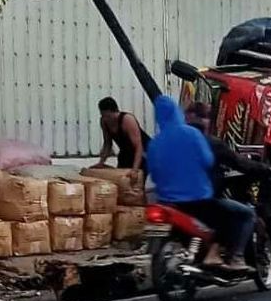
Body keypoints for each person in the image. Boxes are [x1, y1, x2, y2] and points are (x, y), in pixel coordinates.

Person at [147, 95, 257, 271]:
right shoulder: (192, 134)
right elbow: (207, 161)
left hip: (168, 202)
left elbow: (153, 173)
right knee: (242, 214)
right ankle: (219, 255)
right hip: (198, 199)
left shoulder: (155, 143)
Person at [97, 97, 150, 175]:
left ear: (113, 111)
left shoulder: (128, 120)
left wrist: (135, 170)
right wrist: (101, 162)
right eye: (103, 115)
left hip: (143, 152)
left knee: (137, 179)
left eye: (107, 116)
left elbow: (139, 147)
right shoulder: (104, 121)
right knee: (121, 178)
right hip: (125, 152)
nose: (106, 118)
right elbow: (107, 144)